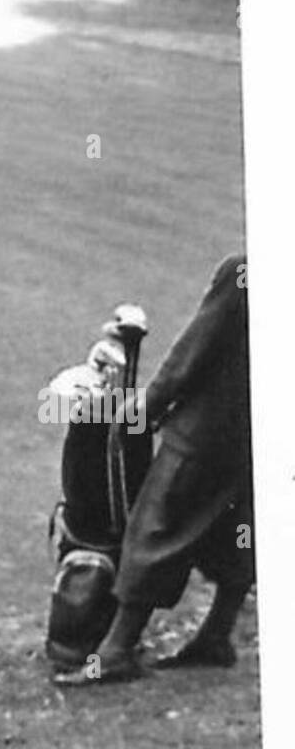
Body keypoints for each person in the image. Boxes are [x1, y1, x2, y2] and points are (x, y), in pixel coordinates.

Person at [56, 254, 252, 686]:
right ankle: (217, 634)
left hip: (208, 429)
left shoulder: (245, 271)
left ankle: (115, 652)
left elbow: (194, 351)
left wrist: (146, 407)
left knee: (154, 529)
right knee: (239, 527)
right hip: (260, 434)